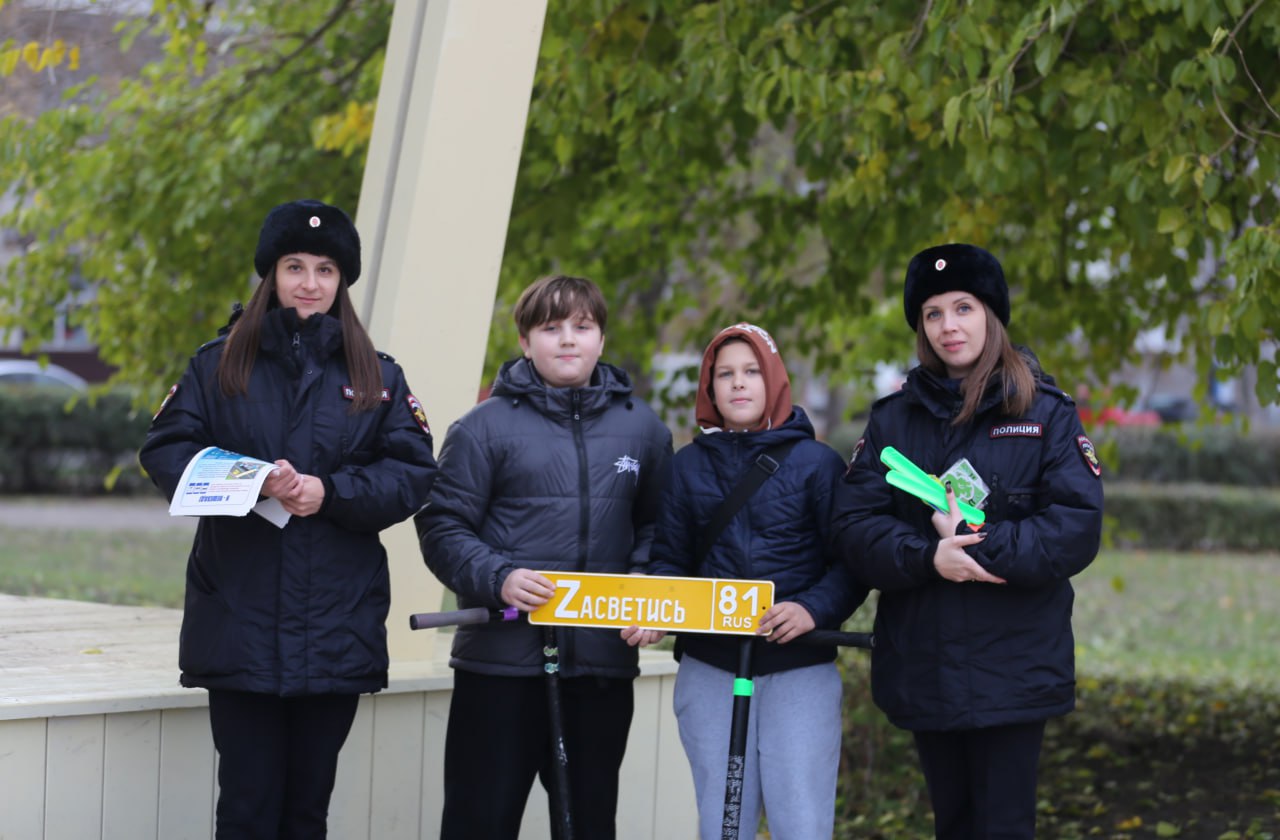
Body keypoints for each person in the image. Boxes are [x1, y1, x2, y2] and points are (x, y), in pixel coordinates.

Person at [139, 199, 438, 839]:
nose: (309, 283)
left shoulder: (379, 376)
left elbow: (413, 473)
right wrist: (251, 483)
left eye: (325, 269)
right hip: (239, 619)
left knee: (306, 813)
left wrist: (330, 492)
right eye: (295, 266)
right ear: (271, 275)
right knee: (246, 809)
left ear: (342, 280)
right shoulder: (218, 364)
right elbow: (165, 450)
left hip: (336, 624)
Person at [830, 243, 1104, 840]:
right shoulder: (892, 419)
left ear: (991, 315)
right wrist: (929, 558)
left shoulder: (1046, 413)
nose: (948, 326)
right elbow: (855, 526)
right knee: (952, 825)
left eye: (963, 308)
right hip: (926, 663)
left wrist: (977, 545)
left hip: (1015, 665)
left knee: (1005, 826)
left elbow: (1075, 526)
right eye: (933, 313)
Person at [414, 274, 673, 839]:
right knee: (479, 823)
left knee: (587, 825)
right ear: (525, 342)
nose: (568, 339)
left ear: (602, 339)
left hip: (600, 666)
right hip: (499, 665)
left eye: (582, 326)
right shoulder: (481, 428)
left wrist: (644, 584)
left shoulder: (645, 431)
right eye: (551, 328)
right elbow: (441, 525)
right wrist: (500, 577)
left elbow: (659, 529)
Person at [626, 323, 868, 840]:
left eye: (752, 371)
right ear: (709, 387)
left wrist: (812, 609)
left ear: (774, 380)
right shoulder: (686, 467)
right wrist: (657, 610)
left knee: (800, 824)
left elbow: (851, 565)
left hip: (798, 668)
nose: (738, 383)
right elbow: (670, 559)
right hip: (710, 666)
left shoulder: (818, 464)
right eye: (725, 374)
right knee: (723, 824)